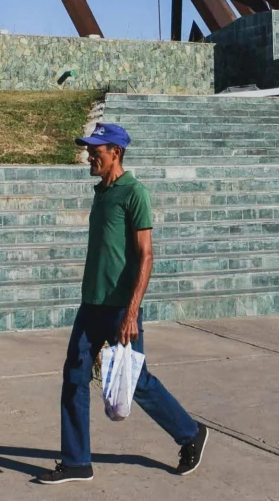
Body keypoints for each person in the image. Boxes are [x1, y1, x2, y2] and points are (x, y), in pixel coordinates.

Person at [37, 122, 208, 484]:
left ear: (115, 151)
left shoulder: (134, 193)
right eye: (88, 149)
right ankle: (76, 461)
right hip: (92, 304)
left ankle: (190, 433)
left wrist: (131, 313)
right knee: (74, 377)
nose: (89, 156)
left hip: (119, 309)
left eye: (95, 150)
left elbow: (146, 256)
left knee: (135, 381)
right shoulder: (101, 193)